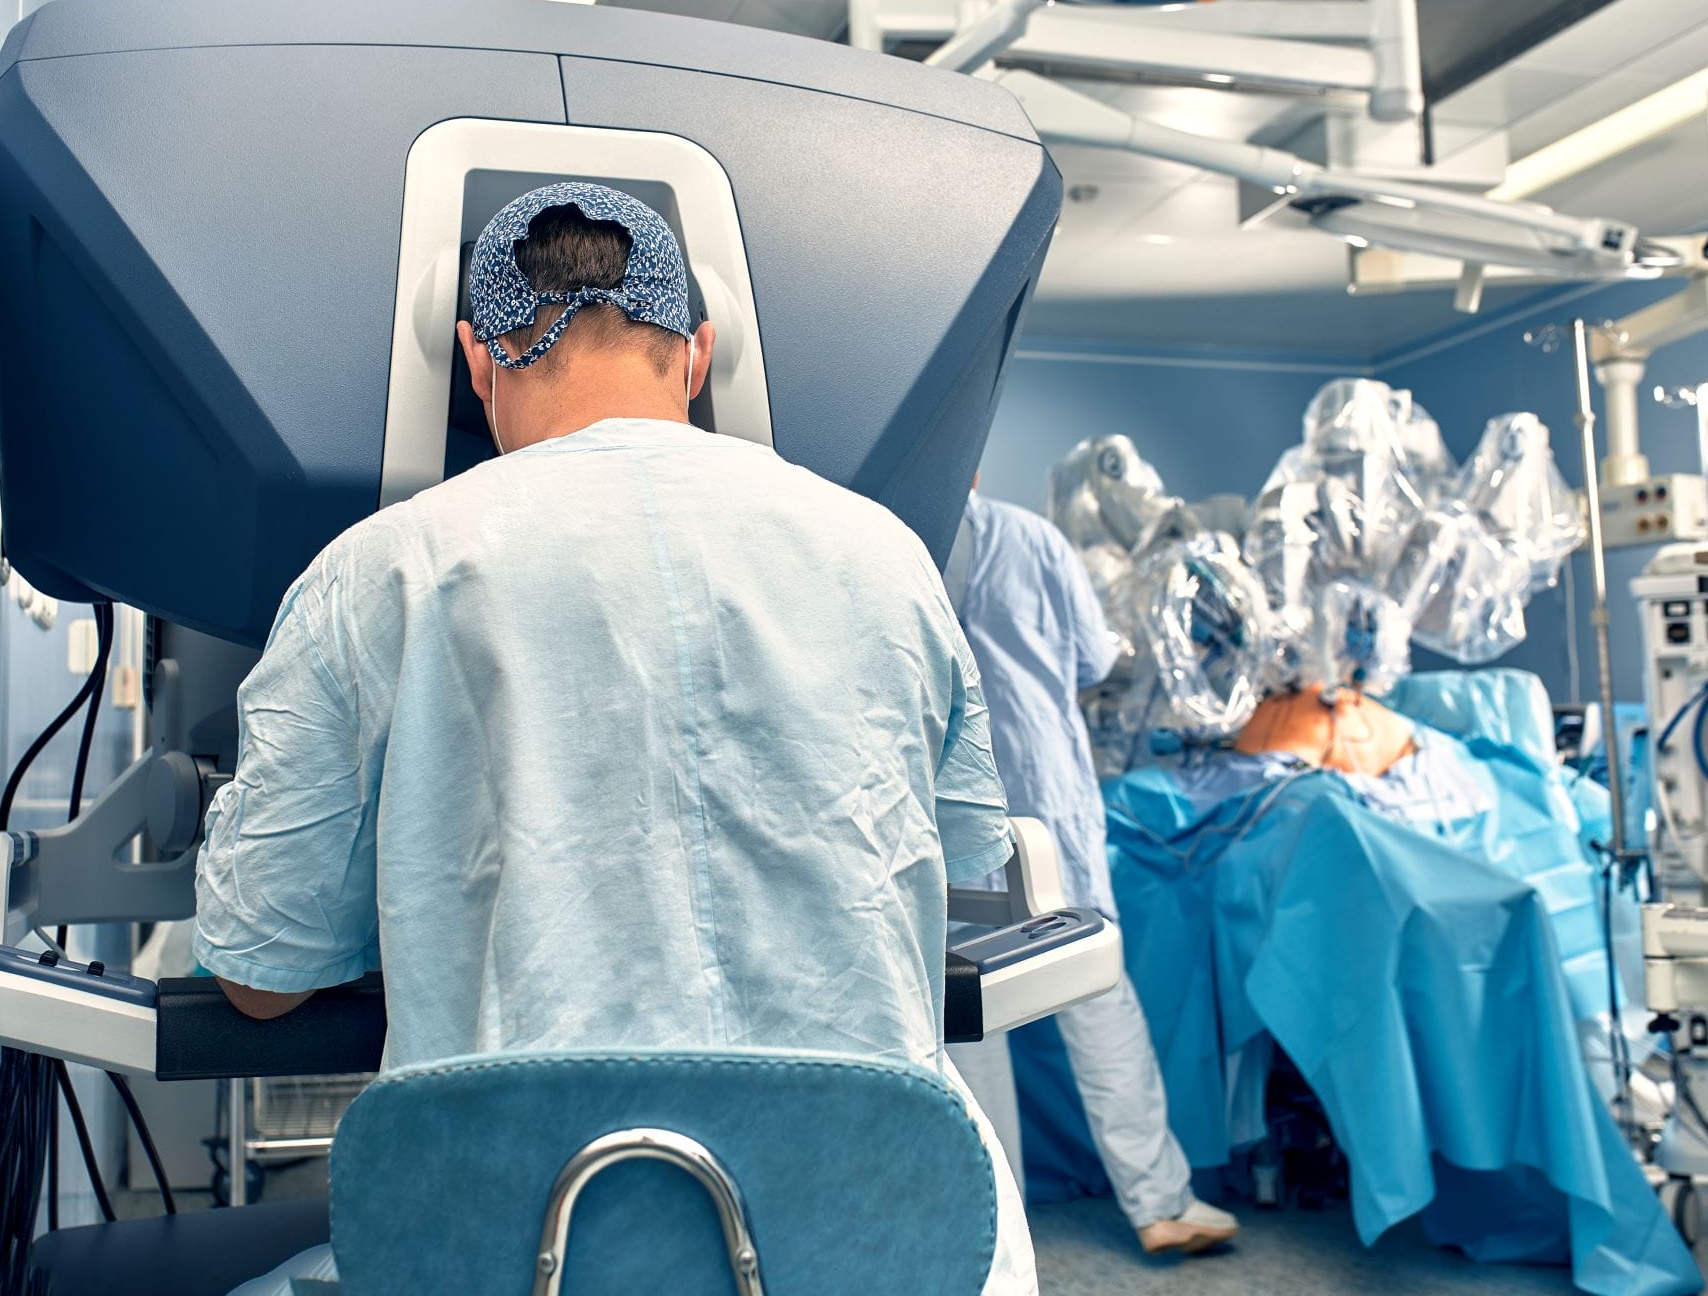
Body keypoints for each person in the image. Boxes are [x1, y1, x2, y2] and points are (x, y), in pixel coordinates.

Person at [191, 182, 1036, 1293]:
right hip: (880, 1242)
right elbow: (970, 858)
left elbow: (260, 977)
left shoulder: (378, 572)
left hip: (533, 1247)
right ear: (697, 354)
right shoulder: (885, 555)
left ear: (476, 360)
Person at [947, 484, 1240, 1256]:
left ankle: (991, 1227)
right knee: (1097, 992)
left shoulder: (894, 528)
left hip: (954, 798)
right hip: (1047, 795)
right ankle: (1160, 1201)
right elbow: (1094, 659)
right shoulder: (1038, 540)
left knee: (968, 1012)